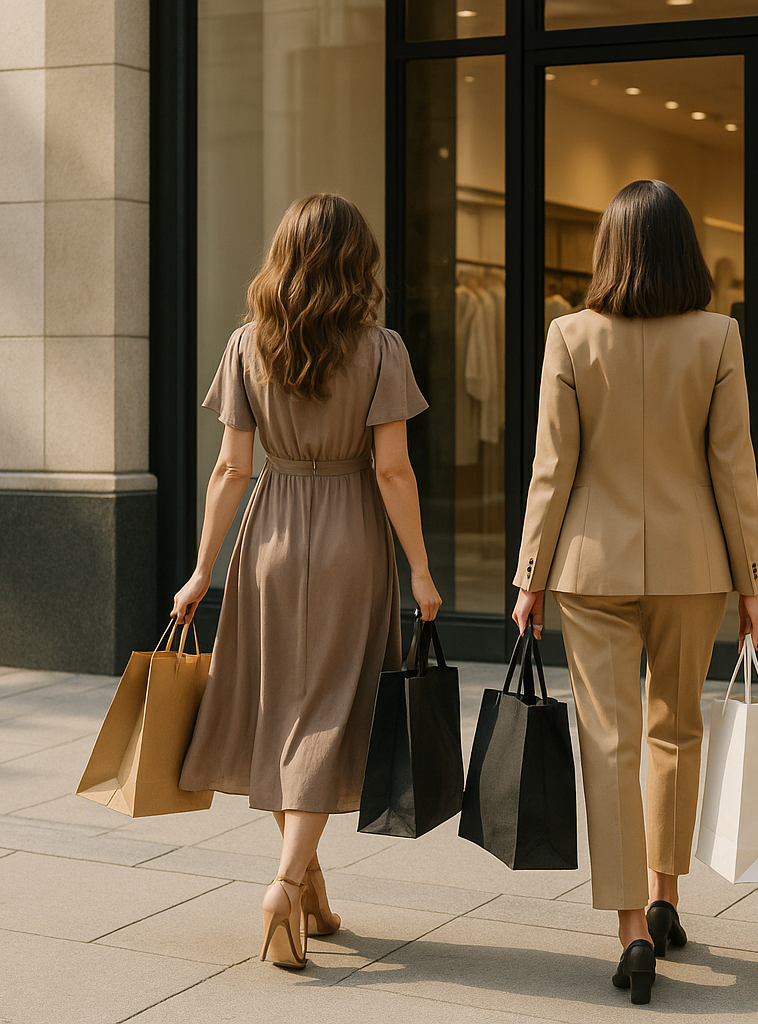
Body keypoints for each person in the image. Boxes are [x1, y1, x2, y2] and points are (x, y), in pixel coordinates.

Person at [511, 180, 758, 1006]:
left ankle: (631, 929)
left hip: (592, 566)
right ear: (685, 250)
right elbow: (734, 468)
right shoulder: (719, 336)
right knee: (677, 727)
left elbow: (552, 468)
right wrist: (754, 584)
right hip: (694, 566)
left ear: (609, 251)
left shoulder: (569, 335)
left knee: (610, 740)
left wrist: (530, 576)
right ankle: (665, 894)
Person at [169, 193, 441, 970]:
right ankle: (287, 886)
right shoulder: (381, 349)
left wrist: (202, 569)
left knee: (279, 711)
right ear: (358, 262)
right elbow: (392, 470)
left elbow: (231, 468)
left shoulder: (247, 343)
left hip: (270, 537)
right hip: (352, 536)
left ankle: (312, 894)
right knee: (326, 714)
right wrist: (421, 569)